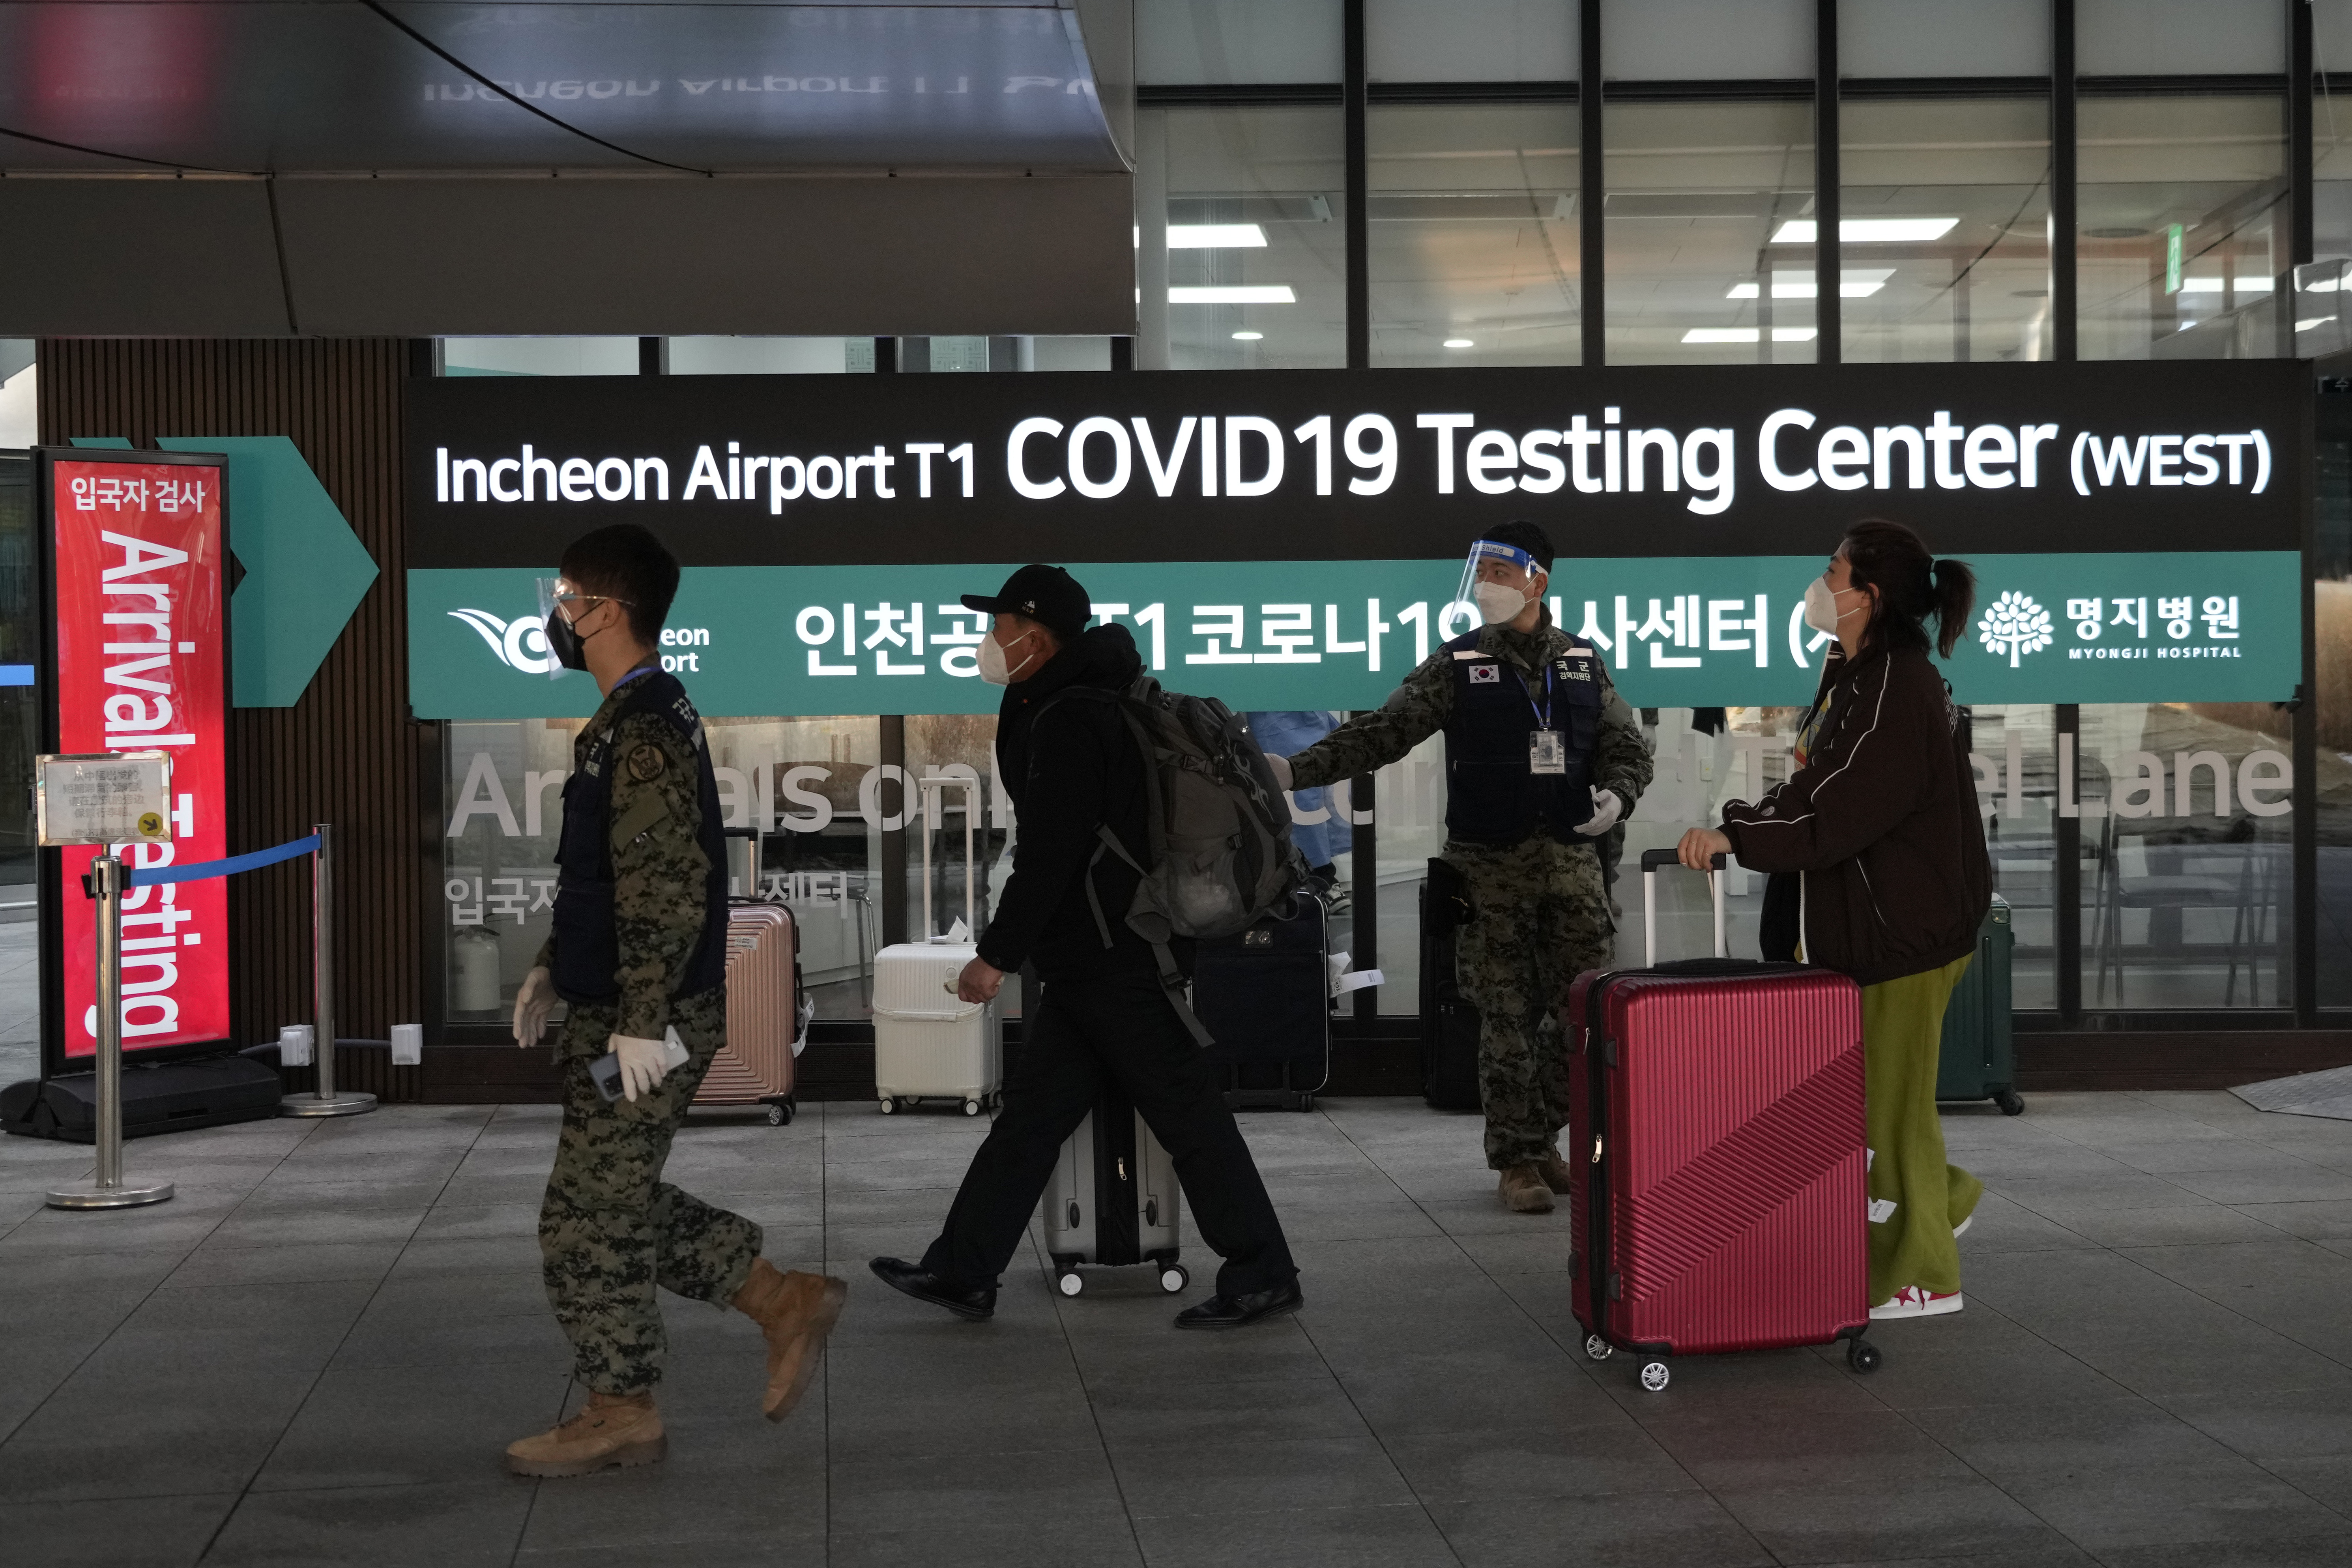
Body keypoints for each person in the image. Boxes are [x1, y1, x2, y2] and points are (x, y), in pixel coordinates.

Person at [870, 564, 1302, 1329]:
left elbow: (1050, 854)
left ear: (1032, 637)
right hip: (1092, 956)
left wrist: (994, 955)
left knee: (1186, 1114)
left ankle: (1263, 1267)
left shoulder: (1071, 718)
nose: (986, 641)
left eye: (996, 626)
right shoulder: (1068, 701)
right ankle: (964, 1267)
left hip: (1118, 957)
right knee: (1033, 1117)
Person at [505, 523, 847, 1478]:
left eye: (567, 595)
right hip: (616, 1000)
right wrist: (549, 962)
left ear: (607, 612)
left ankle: (624, 1406)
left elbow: (665, 883)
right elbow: (605, 876)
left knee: (582, 1219)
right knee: (601, 1206)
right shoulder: (629, 716)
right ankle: (777, 1298)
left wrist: (641, 1017)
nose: (556, 612)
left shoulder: (645, 726)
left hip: (640, 1016)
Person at [1272, 521, 1652, 1214]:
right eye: (1480, 572)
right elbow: (1379, 734)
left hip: (1571, 872)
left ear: (1537, 580)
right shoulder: (1456, 664)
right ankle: (1516, 1159)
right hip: (1488, 870)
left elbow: (1627, 747)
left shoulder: (1582, 662)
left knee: (1582, 1013)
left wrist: (1618, 793)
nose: (1486, 586)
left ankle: (1544, 1137)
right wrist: (1295, 768)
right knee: (1504, 1015)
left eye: (1501, 573)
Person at [1676, 518, 1991, 1321]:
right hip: (1874, 924)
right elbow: (1815, 779)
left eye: (1831, 573)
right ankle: (1940, 1195)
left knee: (1889, 1103)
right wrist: (1744, 819)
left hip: (1903, 932)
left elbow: (1844, 811)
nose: (1819, 586)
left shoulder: (1897, 686)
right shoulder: (1853, 673)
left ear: (1867, 594)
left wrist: (1738, 837)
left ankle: (1920, 1273)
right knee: (1877, 1094)